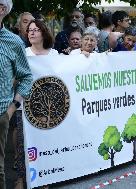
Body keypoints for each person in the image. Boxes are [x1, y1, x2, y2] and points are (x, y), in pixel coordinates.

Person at [14, 19, 58, 189]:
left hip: (48, 108)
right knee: (22, 143)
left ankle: (44, 178)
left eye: (36, 30)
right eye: (29, 30)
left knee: (45, 143)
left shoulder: (54, 54)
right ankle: (20, 179)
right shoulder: (23, 53)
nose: (31, 32)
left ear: (43, 33)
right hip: (24, 105)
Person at [0, 1, 33, 189]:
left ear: (2, 9)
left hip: (1, 113)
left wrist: (11, 109)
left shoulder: (13, 42)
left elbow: (26, 76)